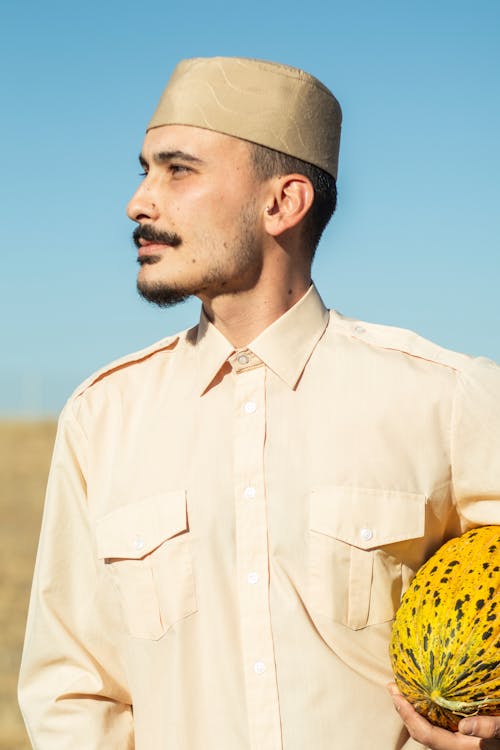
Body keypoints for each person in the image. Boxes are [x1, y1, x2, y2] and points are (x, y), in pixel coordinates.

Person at [18, 56, 500, 750]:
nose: (139, 202)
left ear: (283, 203)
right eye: (145, 169)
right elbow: (73, 688)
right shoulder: (102, 418)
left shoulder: (446, 397)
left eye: (178, 170)